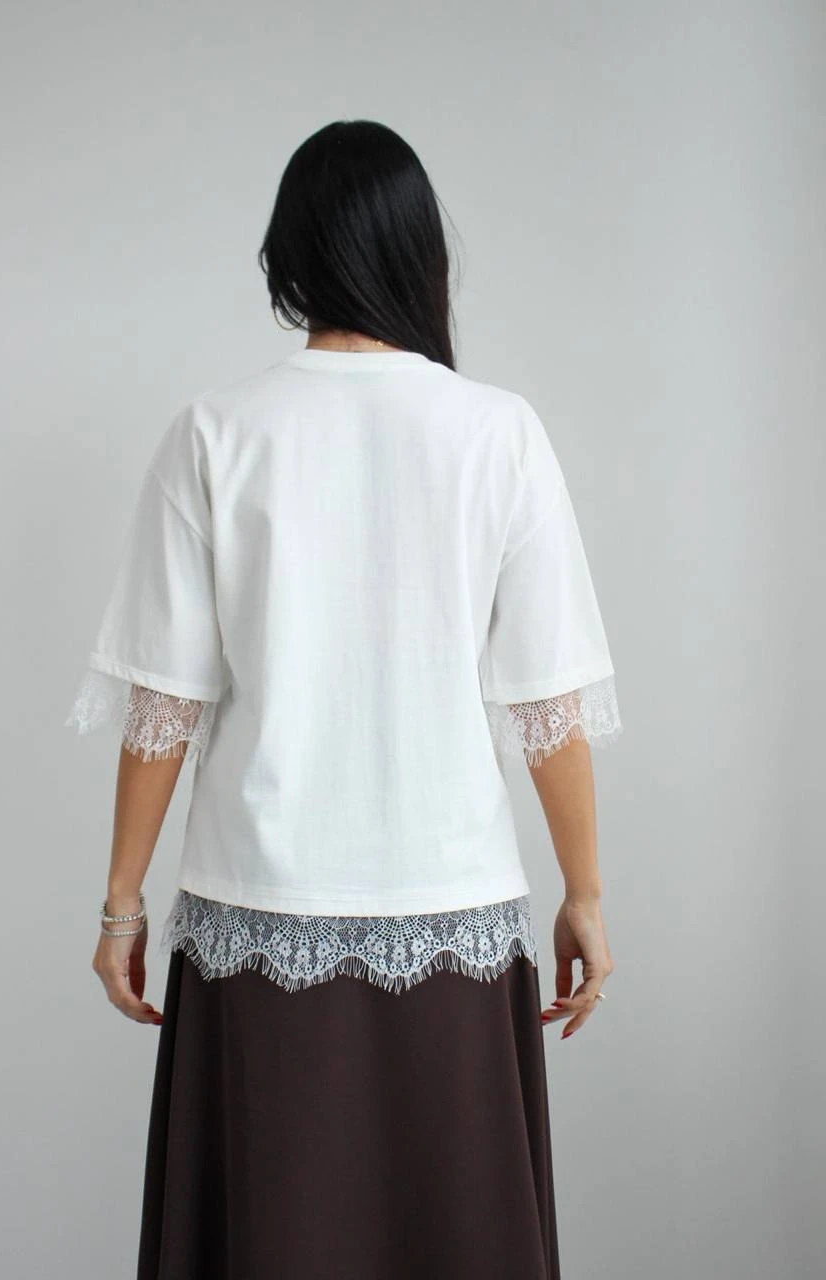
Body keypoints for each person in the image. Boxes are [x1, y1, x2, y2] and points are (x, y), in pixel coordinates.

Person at [65, 118, 622, 1280]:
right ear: (422, 254)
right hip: (453, 908)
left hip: (257, 914)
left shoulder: (216, 433)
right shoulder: (498, 433)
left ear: (290, 257)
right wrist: (586, 892)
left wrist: (122, 905)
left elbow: (165, 701)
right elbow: (548, 701)